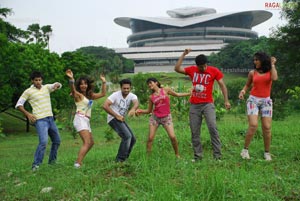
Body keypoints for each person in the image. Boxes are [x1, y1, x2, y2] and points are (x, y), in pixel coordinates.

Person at [174, 49, 231, 161]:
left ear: (207, 64)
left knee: (212, 128)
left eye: (205, 66)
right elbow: (176, 69)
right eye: (201, 67)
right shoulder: (192, 70)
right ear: (197, 65)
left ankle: (217, 156)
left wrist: (226, 100)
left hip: (208, 104)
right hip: (194, 105)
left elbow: (222, 85)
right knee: (195, 131)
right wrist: (184, 55)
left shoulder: (214, 71)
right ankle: (198, 156)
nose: (203, 68)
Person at [15, 71, 62, 171]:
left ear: (42, 80)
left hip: (50, 118)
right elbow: (18, 105)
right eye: (36, 80)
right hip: (40, 120)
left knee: (57, 141)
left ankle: (52, 162)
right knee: (43, 142)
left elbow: (56, 85)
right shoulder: (28, 91)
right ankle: (36, 165)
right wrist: (28, 114)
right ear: (32, 81)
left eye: (40, 80)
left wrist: (58, 84)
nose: (38, 82)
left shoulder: (46, 88)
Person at [136, 78, 190, 158]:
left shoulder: (166, 90)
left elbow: (177, 95)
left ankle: (177, 154)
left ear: (156, 83)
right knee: (150, 138)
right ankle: (148, 157)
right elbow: (149, 110)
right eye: (148, 84)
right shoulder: (151, 97)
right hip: (155, 118)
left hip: (166, 118)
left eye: (151, 83)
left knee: (172, 137)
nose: (149, 85)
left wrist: (189, 93)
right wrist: (141, 111)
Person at [239, 52, 278, 161]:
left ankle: (267, 152)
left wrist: (273, 64)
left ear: (262, 61)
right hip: (253, 100)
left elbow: (274, 78)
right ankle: (245, 150)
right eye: (254, 60)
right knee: (253, 125)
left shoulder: (270, 71)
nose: (254, 62)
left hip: (266, 101)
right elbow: (247, 85)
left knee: (267, 127)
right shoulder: (252, 73)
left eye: (257, 60)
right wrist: (243, 91)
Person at [65, 69, 106, 168]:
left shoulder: (90, 96)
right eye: (81, 84)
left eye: (85, 84)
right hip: (80, 118)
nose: (83, 85)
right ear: (79, 85)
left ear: (88, 85)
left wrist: (104, 82)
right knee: (87, 142)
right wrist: (71, 80)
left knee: (91, 143)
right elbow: (73, 91)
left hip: (86, 120)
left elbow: (103, 94)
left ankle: (79, 161)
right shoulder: (78, 95)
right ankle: (77, 163)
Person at [102, 79, 139, 162]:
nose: (126, 90)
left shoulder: (132, 95)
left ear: (130, 88)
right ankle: (119, 160)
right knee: (127, 136)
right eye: (124, 88)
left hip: (120, 119)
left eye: (128, 88)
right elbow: (105, 105)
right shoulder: (115, 95)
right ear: (121, 88)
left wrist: (133, 109)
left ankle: (125, 158)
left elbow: (136, 103)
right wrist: (116, 115)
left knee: (133, 139)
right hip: (113, 118)